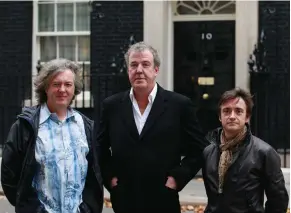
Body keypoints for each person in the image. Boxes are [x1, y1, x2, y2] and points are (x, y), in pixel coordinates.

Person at [97, 41, 209, 213]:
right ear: (128, 70)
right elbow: (100, 148)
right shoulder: (111, 106)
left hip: (163, 200)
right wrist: (111, 179)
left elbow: (198, 149)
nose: (139, 70)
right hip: (125, 201)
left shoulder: (179, 105)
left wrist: (176, 179)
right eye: (133, 65)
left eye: (145, 64)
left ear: (156, 70)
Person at [1, 59, 103, 213]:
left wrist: (87, 208)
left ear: (74, 89)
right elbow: (9, 175)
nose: (62, 89)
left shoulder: (85, 126)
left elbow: (94, 174)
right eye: (56, 84)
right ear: (46, 88)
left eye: (68, 84)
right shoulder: (25, 126)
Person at [202, 88, 289, 213]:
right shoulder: (208, 152)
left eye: (238, 111)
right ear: (220, 117)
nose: (232, 116)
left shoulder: (264, 152)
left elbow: (278, 199)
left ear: (247, 117)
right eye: (226, 111)